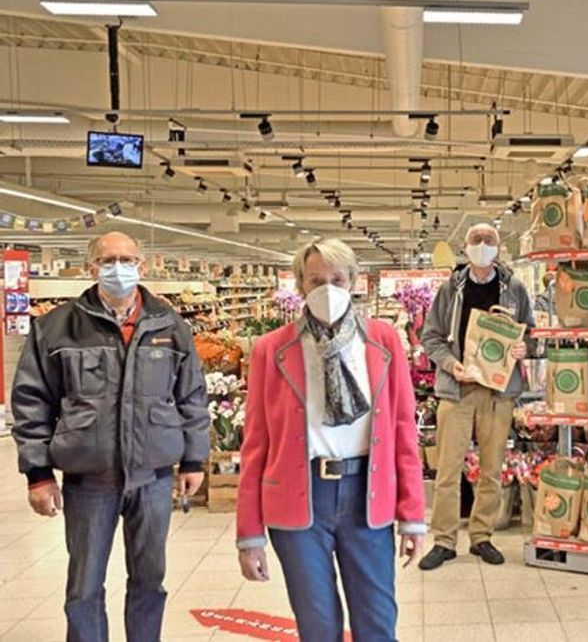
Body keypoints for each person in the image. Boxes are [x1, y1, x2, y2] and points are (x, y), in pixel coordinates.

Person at [12, 231, 210, 642]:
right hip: (88, 479)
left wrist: (193, 460)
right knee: (84, 587)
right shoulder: (56, 327)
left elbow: (191, 395)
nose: (118, 268)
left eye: (127, 260)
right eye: (108, 260)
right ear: (92, 268)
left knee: (149, 581)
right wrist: (38, 473)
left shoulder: (169, 325)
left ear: (142, 267)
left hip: (153, 477)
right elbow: (32, 401)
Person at [235, 239, 425, 642]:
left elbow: (404, 430)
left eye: (337, 279)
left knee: (377, 620)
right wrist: (249, 533)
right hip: (299, 497)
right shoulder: (273, 349)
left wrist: (412, 514)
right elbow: (255, 443)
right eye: (316, 279)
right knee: (316, 623)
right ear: (301, 285)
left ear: (354, 281)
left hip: (366, 494)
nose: (327, 288)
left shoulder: (382, 341)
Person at [418, 223, 535, 570]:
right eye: (476, 240)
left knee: (491, 468)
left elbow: (530, 332)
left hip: (498, 391)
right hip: (457, 389)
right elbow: (431, 337)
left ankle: (482, 537)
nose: (483, 245)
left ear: (499, 247)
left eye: (490, 241)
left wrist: (522, 347)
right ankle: (444, 540)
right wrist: (452, 365)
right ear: (464, 246)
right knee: (448, 468)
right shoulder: (449, 289)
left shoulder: (513, 288)